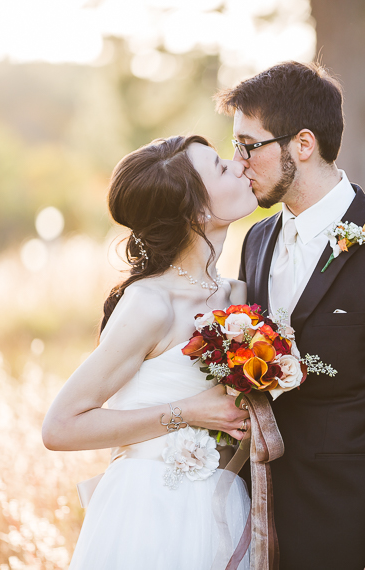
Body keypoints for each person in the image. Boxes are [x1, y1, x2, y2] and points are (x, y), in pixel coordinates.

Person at [217, 61, 365, 570]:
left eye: (248, 145)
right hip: (259, 528)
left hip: (353, 537)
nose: (237, 163)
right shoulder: (257, 240)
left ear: (302, 144)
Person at [42, 134, 257, 569]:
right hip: (151, 511)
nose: (238, 165)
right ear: (197, 210)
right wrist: (191, 412)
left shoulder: (238, 295)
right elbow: (60, 427)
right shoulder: (151, 303)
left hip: (222, 504)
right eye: (219, 166)